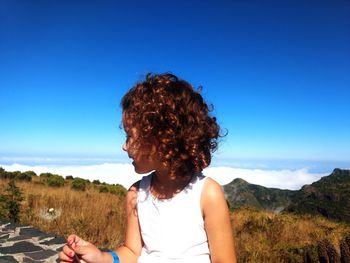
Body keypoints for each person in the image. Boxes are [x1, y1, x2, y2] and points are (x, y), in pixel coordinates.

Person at [59, 73, 237, 263]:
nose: (124, 146)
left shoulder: (207, 194)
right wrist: (101, 257)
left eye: (129, 137)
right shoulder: (136, 194)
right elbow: (131, 252)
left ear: (160, 138)